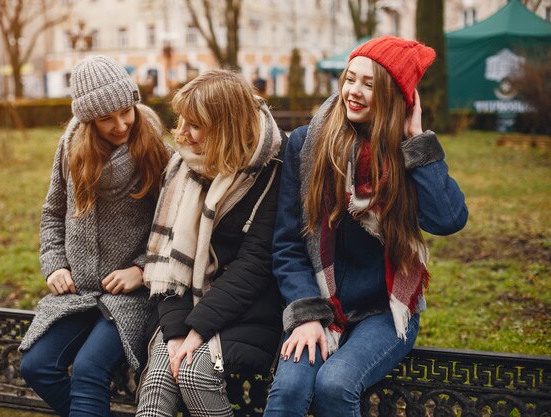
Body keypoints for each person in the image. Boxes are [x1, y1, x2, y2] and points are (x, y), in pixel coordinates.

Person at [263, 36, 469, 417]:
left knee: (335, 383)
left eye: (369, 84)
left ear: (393, 95)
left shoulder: (403, 154)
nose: (353, 92)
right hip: (319, 303)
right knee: (290, 389)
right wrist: (306, 314)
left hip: (383, 311)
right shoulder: (308, 145)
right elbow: (288, 244)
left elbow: (448, 219)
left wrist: (417, 143)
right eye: (350, 78)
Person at [19, 55, 171, 417]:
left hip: (131, 296)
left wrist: (141, 270)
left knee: (89, 369)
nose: (121, 125)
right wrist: (54, 264)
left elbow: (174, 226)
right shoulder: (71, 148)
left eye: (126, 111)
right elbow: (53, 212)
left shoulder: (153, 149)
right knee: (36, 366)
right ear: (88, 120)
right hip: (79, 292)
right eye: (107, 118)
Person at [135, 69, 286, 417]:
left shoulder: (272, 170)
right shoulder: (182, 168)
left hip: (251, 310)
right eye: (181, 121)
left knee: (192, 373)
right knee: (158, 380)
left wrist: (198, 329)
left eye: (195, 125)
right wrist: (175, 331)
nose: (181, 134)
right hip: (186, 303)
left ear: (226, 128)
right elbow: (166, 260)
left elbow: (255, 264)